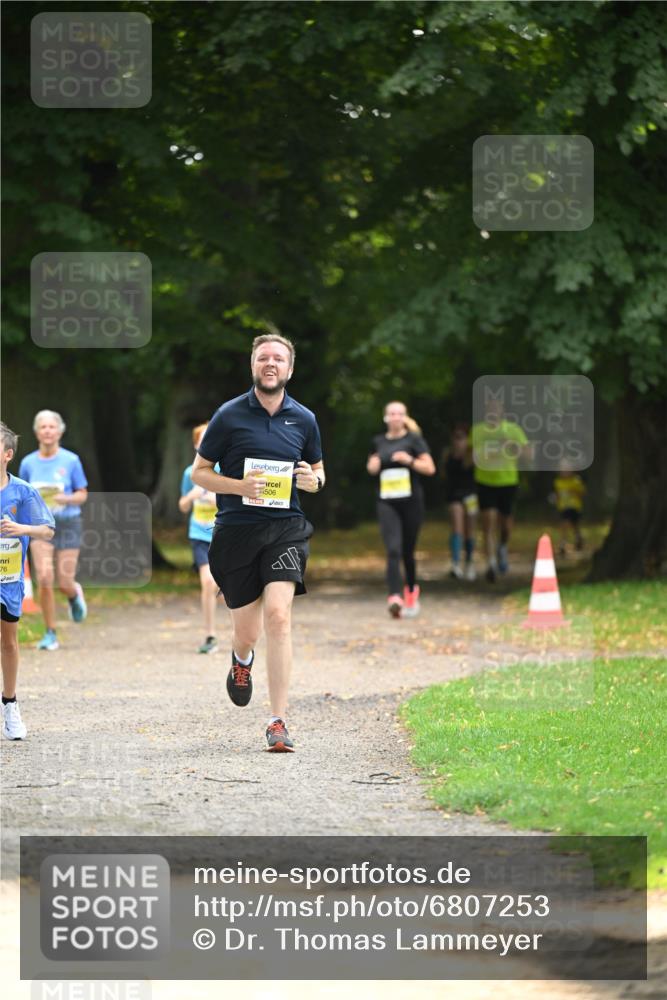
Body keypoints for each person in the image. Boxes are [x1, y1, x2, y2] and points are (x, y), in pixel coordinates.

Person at [191, 333, 324, 753]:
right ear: (253, 365)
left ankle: (278, 721)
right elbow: (199, 472)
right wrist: (237, 484)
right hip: (236, 531)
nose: (271, 364)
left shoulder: (304, 419)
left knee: (279, 618)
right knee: (246, 632)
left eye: (279, 358)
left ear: (290, 369)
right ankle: (241, 659)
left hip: (286, 528)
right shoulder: (229, 415)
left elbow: (318, 473)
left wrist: (313, 481)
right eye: (263, 357)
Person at [1, 422, 55, 740]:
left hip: (8, 578)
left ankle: (9, 704)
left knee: (8, 641)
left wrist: (22, 530)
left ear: (7, 454)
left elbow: (47, 529)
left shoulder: (22, 491)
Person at [18, 410, 88, 650]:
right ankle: (50, 633)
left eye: (52, 427)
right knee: (45, 578)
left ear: (60, 431)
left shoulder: (71, 461)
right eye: (43, 427)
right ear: (37, 432)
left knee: (64, 581)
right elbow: (22, 494)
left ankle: (72, 594)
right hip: (40, 526)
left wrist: (65, 498)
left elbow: (82, 494)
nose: (48, 431)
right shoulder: (28, 463)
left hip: (68, 523)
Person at [367, 402, 436, 618]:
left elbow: (430, 468)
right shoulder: (378, 441)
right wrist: (374, 465)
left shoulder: (413, 440)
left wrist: (410, 460)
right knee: (393, 549)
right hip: (387, 502)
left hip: (411, 502)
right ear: (385, 417)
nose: (395, 417)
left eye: (399, 414)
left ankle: (411, 590)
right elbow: (370, 468)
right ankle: (394, 596)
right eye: (391, 413)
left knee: (408, 551)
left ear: (404, 417)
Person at [470, 398, 531, 583]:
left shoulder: (512, 430)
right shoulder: (478, 431)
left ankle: (502, 546)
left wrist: (512, 445)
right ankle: (491, 564)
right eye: (490, 408)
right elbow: (471, 457)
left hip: (508, 481)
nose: (493, 411)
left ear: (502, 411)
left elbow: (528, 456)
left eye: (497, 408)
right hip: (485, 481)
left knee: (505, 524)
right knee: (488, 522)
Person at [179, 423, 223, 653]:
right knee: (208, 582)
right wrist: (191, 496)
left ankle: (244, 636)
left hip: (224, 536)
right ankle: (210, 635)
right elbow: (183, 505)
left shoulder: (226, 469)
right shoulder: (190, 473)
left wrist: (216, 499)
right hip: (199, 535)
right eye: (202, 441)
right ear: (196, 445)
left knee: (229, 588)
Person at [441, 423, 478, 580]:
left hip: (471, 496)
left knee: (470, 529)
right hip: (454, 495)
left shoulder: (472, 455)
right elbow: (443, 474)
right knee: (457, 527)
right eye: (456, 437)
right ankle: (455, 563)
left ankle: (469, 561)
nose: (458, 441)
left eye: (461, 437)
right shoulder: (447, 454)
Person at [552, 461, 586, 555]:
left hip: (575, 507)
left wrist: (573, 492)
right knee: (564, 524)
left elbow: (581, 493)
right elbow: (557, 494)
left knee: (576, 526)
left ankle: (578, 539)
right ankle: (563, 543)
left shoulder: (576, 481)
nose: (565, 472)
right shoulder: (558, 482)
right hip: (564, 507)